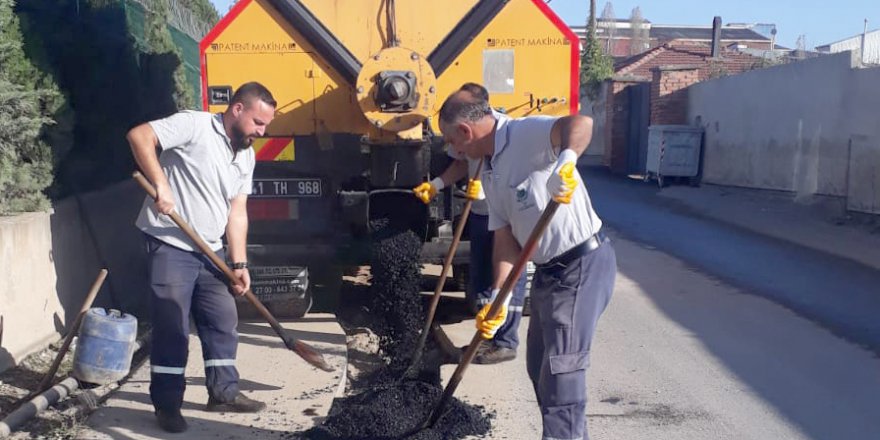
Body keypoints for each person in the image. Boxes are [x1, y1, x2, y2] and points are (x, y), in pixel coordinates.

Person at [438, 88, 616, 440]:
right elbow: (506, 239)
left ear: (465, 132)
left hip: (581, 265)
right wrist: (498, 300)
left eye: (451, 141)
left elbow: (580, 123)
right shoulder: (489, 170)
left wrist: (566, 159)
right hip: (549, 273)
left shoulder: (523, 134)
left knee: (561, 377)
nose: (454, 151)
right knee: (538, 367)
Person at [128, 82, 277, 433]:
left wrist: (239, 264)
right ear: (237, 109)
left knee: (222, 321)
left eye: (266, 125)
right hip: (171, 244)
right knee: (173, 326)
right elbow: (139, 136)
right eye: (258, 122)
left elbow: (237, 211)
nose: (261, 131)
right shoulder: (194, 126)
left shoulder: (245, 154)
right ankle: (167, 405)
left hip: (212, 249)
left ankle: (223, 393)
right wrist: (161, 184)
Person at [413, 83, 527, 364]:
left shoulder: (505, 135)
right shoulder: (464, 137)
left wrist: (486, 190)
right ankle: (485, 338)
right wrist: (437, 185)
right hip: (479, 214)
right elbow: (461, 163)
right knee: (478, 279)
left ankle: (505, 341)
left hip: (502, 215)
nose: (452, 145)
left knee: (506, 276)